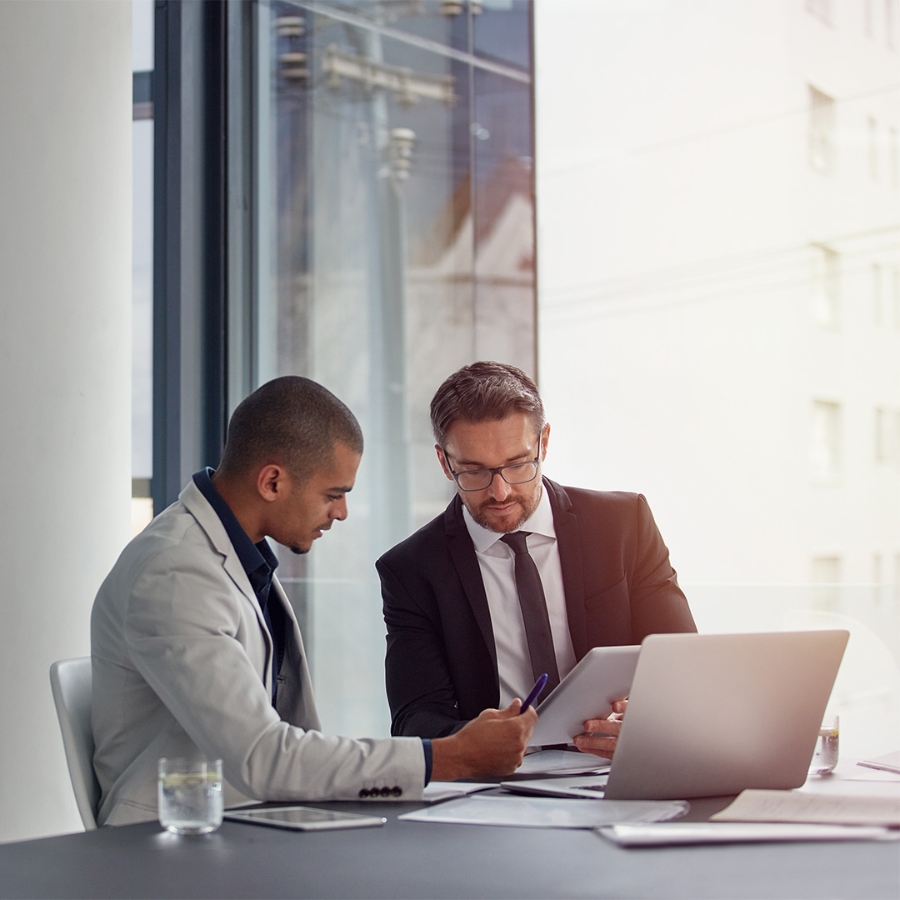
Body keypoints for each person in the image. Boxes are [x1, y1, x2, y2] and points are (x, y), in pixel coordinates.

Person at [91, 376, 535, 826]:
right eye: (333, 494)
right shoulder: (175, 572)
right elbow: (263, 757)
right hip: (172, 846)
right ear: (272, 481)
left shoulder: (236, 557)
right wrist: (449, 757)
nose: (340, 512)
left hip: (249, 825)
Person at [378, 361, 696, 758]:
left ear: (544, 443)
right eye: (474, 472)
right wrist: (473, 740)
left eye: (517, 464)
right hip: (497, 784)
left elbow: (686, 668)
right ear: (445, 462)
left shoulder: (623, 525)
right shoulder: (411, 570)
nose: (500, 492)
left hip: (619, 767)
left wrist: (649, 722)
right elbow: (414, 718)